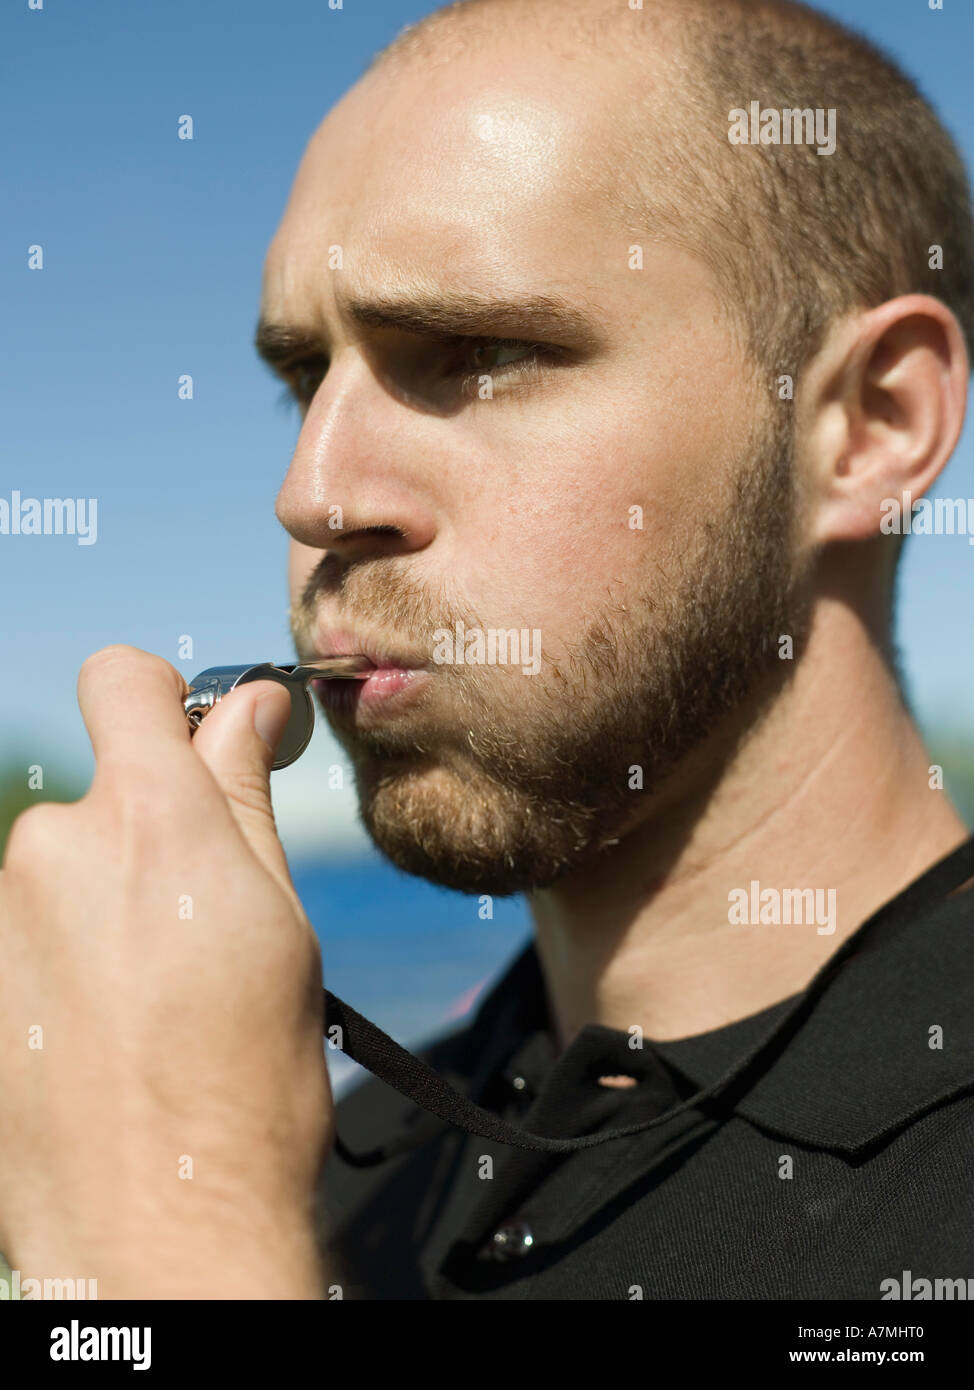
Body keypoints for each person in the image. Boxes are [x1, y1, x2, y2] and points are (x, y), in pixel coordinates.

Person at [1, 0, 973, 1300]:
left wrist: (166, 1243)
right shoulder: (342, 1176)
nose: (314, 493)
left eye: (477, 355)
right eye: (305, 377)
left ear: (867, 424)